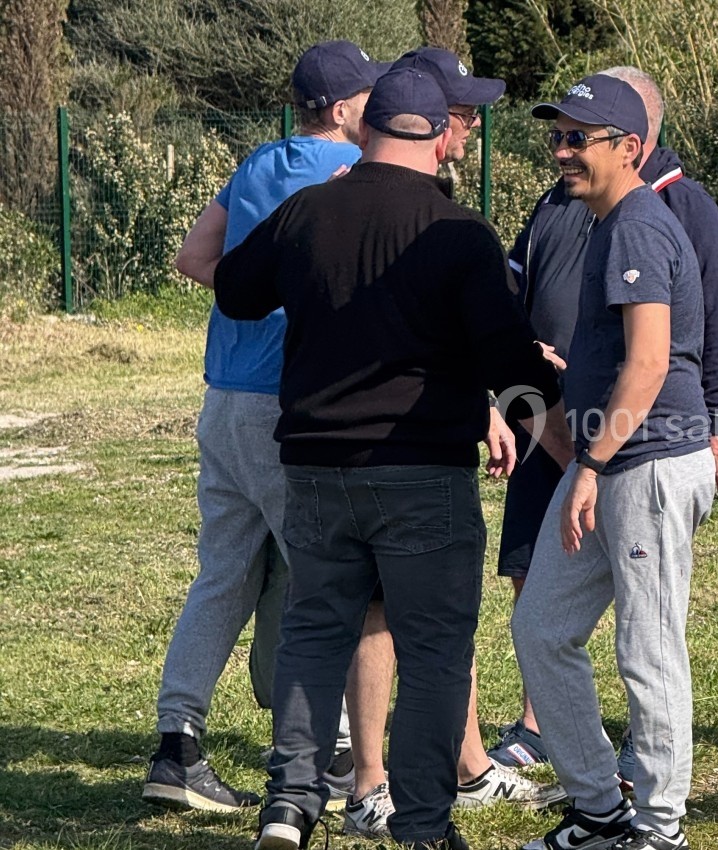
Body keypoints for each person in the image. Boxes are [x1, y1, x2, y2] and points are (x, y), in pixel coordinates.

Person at [214, 67, 574, 850]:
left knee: (315, 631)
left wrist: (299, 222)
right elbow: (509, 365)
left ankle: (290, 803)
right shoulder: (458, 232)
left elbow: (237, 291)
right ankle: (421, 825)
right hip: (421, 473)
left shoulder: (309, 209)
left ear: (365, 126)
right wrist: (558, 407)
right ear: (439, 136)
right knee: (435, 651)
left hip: (313, 468)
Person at [144, 39, 386, 814]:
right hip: (292, 404)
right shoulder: (345, 177)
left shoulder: (258, 164)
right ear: (346, 108)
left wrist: (258, 291)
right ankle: (341, 752)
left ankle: (175, 745)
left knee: (225, 575)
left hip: (225, 398)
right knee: (330, 577)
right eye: (370, 98)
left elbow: (193, 257)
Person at [332, 46, 566, 841]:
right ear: (425, 118)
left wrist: (491, 411)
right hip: (402, 458)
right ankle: (390, 789)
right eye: (462, 110)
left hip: (364, 448)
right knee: (410, 621)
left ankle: (448, 767)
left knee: (402, 617)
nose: (472, 123)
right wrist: (554, 429)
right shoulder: (428, 216)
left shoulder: (386, 199)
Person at [489, 66, 718, 785]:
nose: (563, 150)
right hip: (600, 452)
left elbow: (652, 364)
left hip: (645, 463)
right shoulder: (593, 218)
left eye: (580, 138)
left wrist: (591, 466)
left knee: (648, 648)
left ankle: (658, 822)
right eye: (558, 137)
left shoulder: (644, 222)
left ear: (631, 146)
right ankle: (599, 802)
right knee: (541, 628)